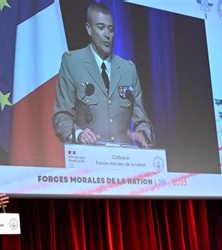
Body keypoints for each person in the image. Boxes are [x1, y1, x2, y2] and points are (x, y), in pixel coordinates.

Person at [53, 2, 154, 147]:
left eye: (110, 29)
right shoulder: (72, 63)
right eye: (101, 28)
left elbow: (142, 120)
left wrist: (143, 134)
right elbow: (61, 116)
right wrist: (79, 134)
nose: (107, 35)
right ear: (89, 29)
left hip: (123, 161)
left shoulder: (128, 69)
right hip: (88, 160)